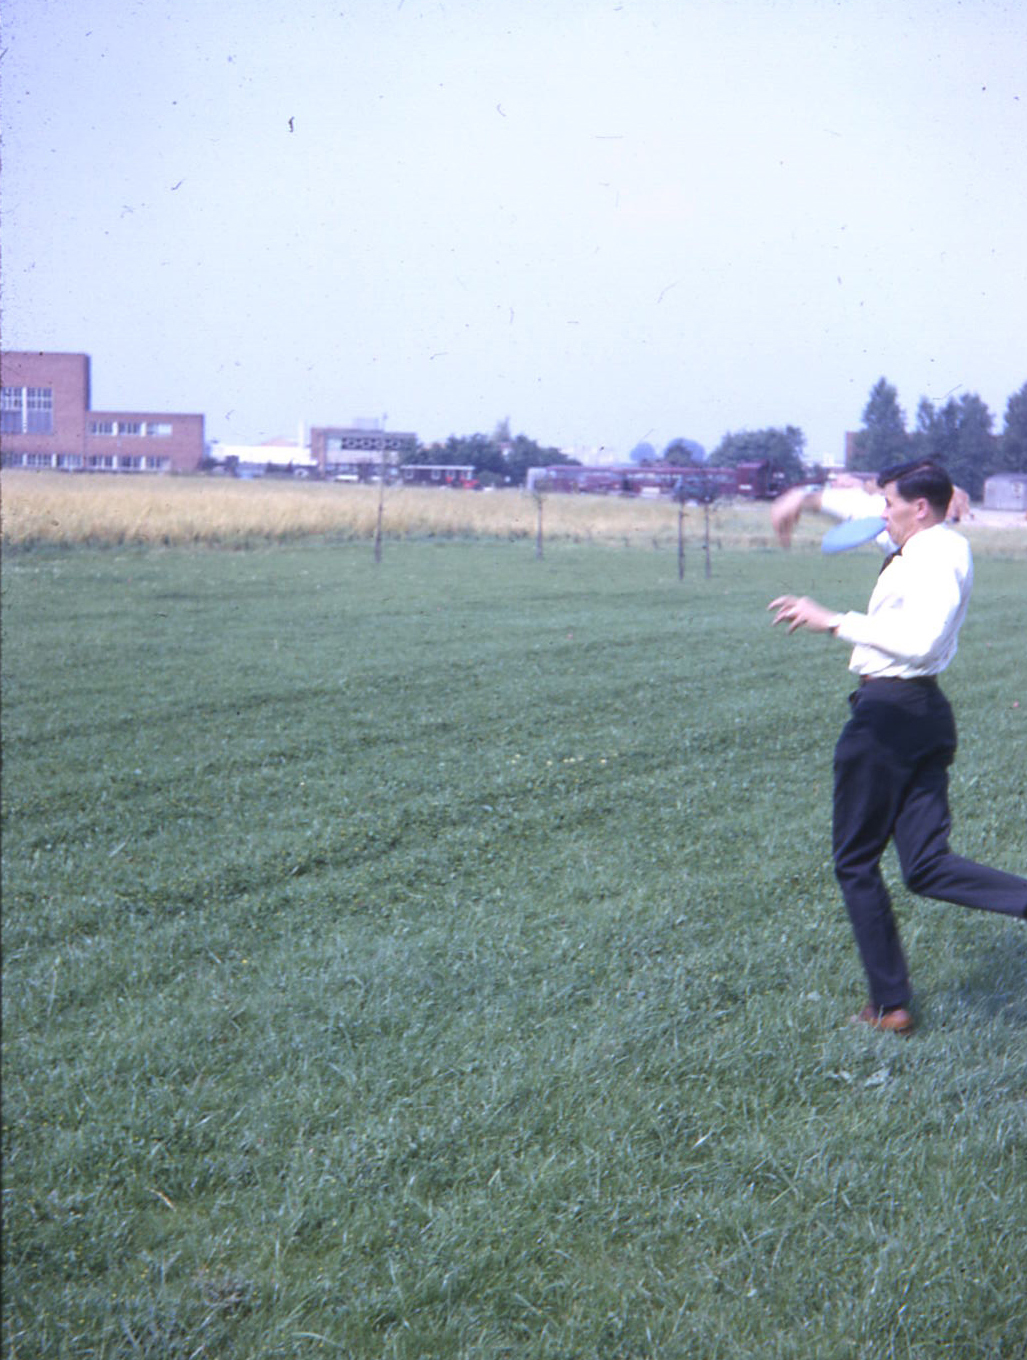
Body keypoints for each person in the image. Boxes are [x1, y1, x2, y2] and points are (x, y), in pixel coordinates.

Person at [768, 459, 1027, 1034]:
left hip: (888, 719)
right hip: (921, 716)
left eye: (890, 504)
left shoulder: (938, 556)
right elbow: (860, 512)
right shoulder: (918, 542)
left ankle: (890, 1006)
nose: (880, 513)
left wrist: (833, 621)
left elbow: (921, 641)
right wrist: (805, 498)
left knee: (855, 860)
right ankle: (892, 1003)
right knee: (926, 867)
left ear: (921, 508)